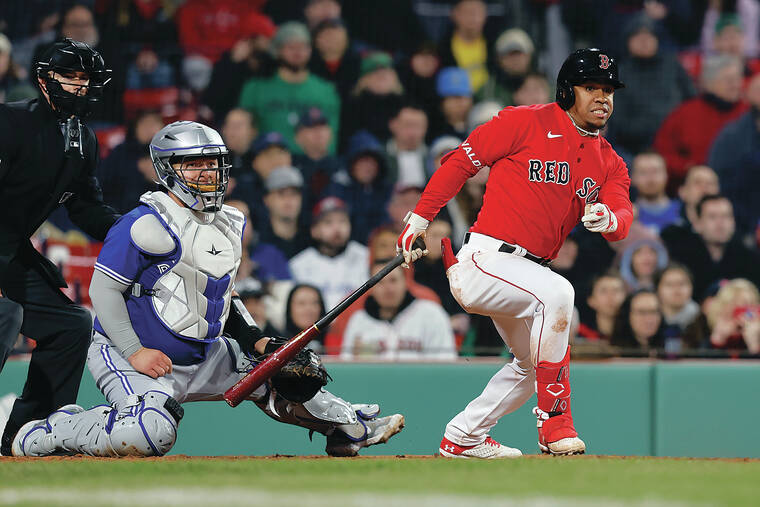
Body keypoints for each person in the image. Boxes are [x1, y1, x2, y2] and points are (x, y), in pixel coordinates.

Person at [11, 121, 404, 458]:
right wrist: (135, 351)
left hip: (205, 352)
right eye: (194, 164)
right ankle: (53, 430)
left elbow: (223, 297)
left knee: (284, 369)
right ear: (167, 169)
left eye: (212, 163)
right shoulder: (143, 222)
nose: (207, 172)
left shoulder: (231, 221)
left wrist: (256, 340)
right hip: (129, 351)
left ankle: (349, 427)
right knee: (151, 433)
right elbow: (103, 293)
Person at [396, 48, 632, 458]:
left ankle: (463, 435)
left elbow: (622, 214)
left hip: (528, 274)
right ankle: (555, 424)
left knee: (532, 365)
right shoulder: (525, 121)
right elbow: (461, 161)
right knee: (559, 295)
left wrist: (609, 219)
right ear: (566, 90)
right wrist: (420, 218)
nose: (602, 97)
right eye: (591, 87)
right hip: (485, 261)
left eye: (608, 90)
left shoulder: (610, 162)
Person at [0, 39, 120, 455]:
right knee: (4, 312)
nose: (80, 86)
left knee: (71, 325)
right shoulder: (9, 123)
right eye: (70, 77)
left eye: (86, 79)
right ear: (44, 81)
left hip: (10, 256)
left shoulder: (83, 140)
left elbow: (86, 208)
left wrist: (134, 231)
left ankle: (27, 437)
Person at [238, 21, 340, 155]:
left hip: (314, 166)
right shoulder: (255, 88)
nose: (298, 52)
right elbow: (245, 132)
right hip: (269, 163)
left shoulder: (326, 90)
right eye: (291, 47)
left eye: (303, 47)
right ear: (277, 50)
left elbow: (331, 139)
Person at [653, 54, 747, 190]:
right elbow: (663, 152)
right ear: (709, 83)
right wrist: (688, 167)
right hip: (695, 186)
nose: (735, 85)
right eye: (728, 80)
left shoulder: (748, 112)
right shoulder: (685, 113)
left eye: (738, 79)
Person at [341, 257, 456, 360]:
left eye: (393, 280)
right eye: (380, 282)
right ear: (371, 289)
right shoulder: (358, 320)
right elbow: (347, 365)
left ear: (405, 282)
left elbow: (445, 362)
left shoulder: (432, 314)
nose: (388, 288)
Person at [663, 194, 760, 300]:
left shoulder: (749, 258)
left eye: (726, 216)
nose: (720, 223)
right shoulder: (681, 256)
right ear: (697, 224)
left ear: (734, 222)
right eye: (712, 217)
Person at [290, 197, 370, 309]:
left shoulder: (366, 256)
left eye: (342, 221)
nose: (337, 229)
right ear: (314, 230)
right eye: (328, 222)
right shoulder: (299, 264)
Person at [630, 151, 681, 234]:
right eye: (643, 173)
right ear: (632, 178)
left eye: (656, 171)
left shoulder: (684, 212)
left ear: (666, 175)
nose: (650, 178)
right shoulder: (626, 216)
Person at [610, 289, 666, 354]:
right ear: (628, 315)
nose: (649, 319)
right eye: (641, 312)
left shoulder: (672, 346)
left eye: (654, 312)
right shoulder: (614, 352)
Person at [579, 271, 627, 341]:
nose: (611, 297)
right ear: (591, 300)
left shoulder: (635, 333)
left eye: (616, 290)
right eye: (603, 291)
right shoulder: (579, 333)